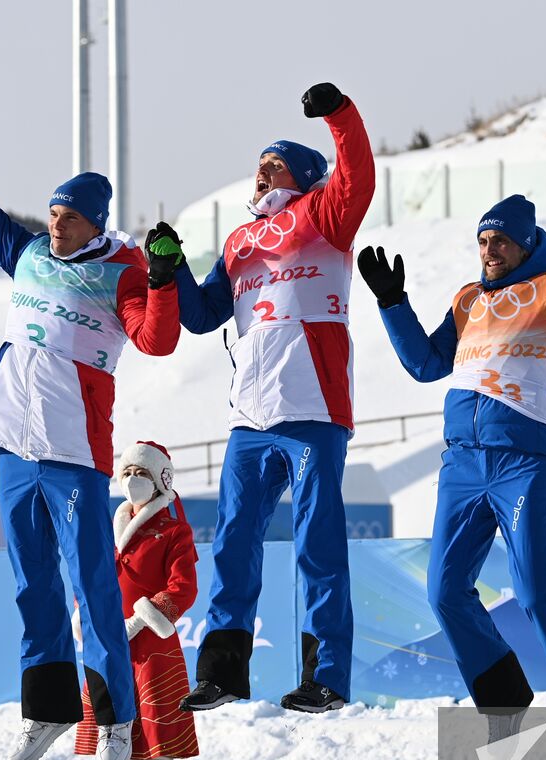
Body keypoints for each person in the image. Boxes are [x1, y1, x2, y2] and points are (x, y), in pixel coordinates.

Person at [0, 89, 181, 760]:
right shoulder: (25, 253)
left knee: (91, 584)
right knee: (32, 584)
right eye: (52, 214)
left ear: (93, 223)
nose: (54, 226)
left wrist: (164, 280)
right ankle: (48, 709)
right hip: (14, 447)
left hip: (75, 454)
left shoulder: (124, 270)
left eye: (68, 218)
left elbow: (157, 339)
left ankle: (114, 718)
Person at [358, 172, 546, 749]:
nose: (489, 249)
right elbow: (427, 365)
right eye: (482, 240)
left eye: (500, 240)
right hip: (461, 464)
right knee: (445, 591)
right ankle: (503, 699)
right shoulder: (468, 298)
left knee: (535, 592)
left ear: (526, 243)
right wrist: (391, 303)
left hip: (522, 462)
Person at [151, 83, 374, 713]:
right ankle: (222, 672)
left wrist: (339, 114)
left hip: (312, 410)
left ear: (303, 178)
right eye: (259, 165)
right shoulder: (239, 241)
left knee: (318, 544)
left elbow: (357, 174)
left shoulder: (325, 215)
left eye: (274, 165)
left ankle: (327, 677)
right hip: (250, 417)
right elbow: (201, 316)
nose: (262, 172)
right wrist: (169, 275)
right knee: (233, 542)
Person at [74, 441, 198, 760]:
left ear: (162, 480)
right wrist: (88, 618)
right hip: (114, 651)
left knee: (158, 755)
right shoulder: (108, 529)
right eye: (126, 472)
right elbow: (91, 582)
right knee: (123, 749)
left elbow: (183, 588)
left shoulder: (175, 530)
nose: (131, 480)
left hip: (154, 652)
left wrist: (142, 619)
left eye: (141, 473)